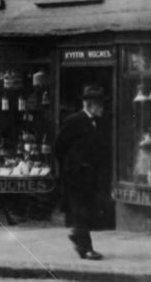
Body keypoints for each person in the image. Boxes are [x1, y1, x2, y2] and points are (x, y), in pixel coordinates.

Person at [54, 85, 110, 260]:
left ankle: (78, 235)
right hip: (76, 176)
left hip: (90, 176)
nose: (102, 108)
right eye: (99, 105)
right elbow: (59, 147)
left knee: (86, 211)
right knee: (81, 211)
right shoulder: (74, 120)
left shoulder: (96, 122)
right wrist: (72, 167)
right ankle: (85, 248)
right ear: (89, 105)